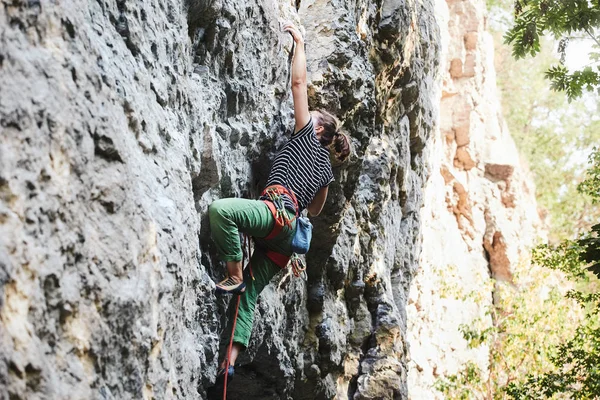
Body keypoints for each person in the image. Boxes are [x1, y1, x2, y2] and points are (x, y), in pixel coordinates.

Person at [207, 21, 351, 388]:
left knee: (221, 211)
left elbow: (298, 84)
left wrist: (300, 43)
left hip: (275, 215)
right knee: (250, 295)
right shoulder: (326, 174)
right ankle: (229, 362)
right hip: (287, 244)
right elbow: (314, 212)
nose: (305, 116)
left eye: (312, 116)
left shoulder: (306, 136)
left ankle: (234, 273)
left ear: (317, 129)